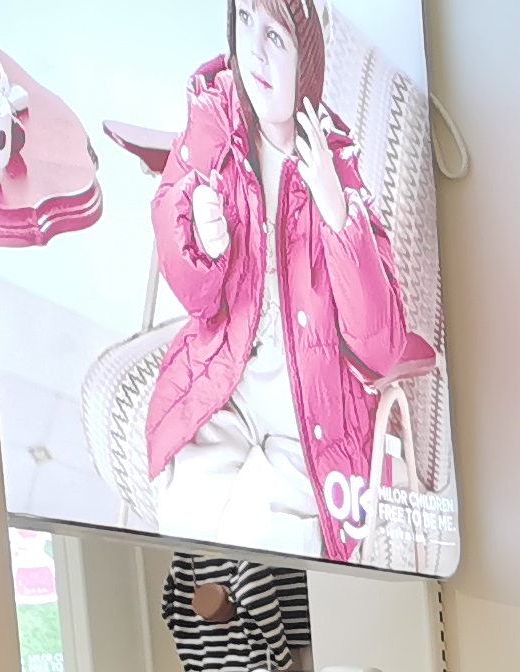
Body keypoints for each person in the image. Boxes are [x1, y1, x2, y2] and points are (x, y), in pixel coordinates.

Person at [147, 0, 433, 561]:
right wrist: (196, 238)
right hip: (228, 385)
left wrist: (336, 211)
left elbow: (379, 347)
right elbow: (193, 292)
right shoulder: (214, 122)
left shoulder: (334, 161)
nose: (254, 51)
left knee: (265, 541)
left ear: (306, 58)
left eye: (275, 37)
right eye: (244, 22)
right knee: (185, 509)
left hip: (311, 413)